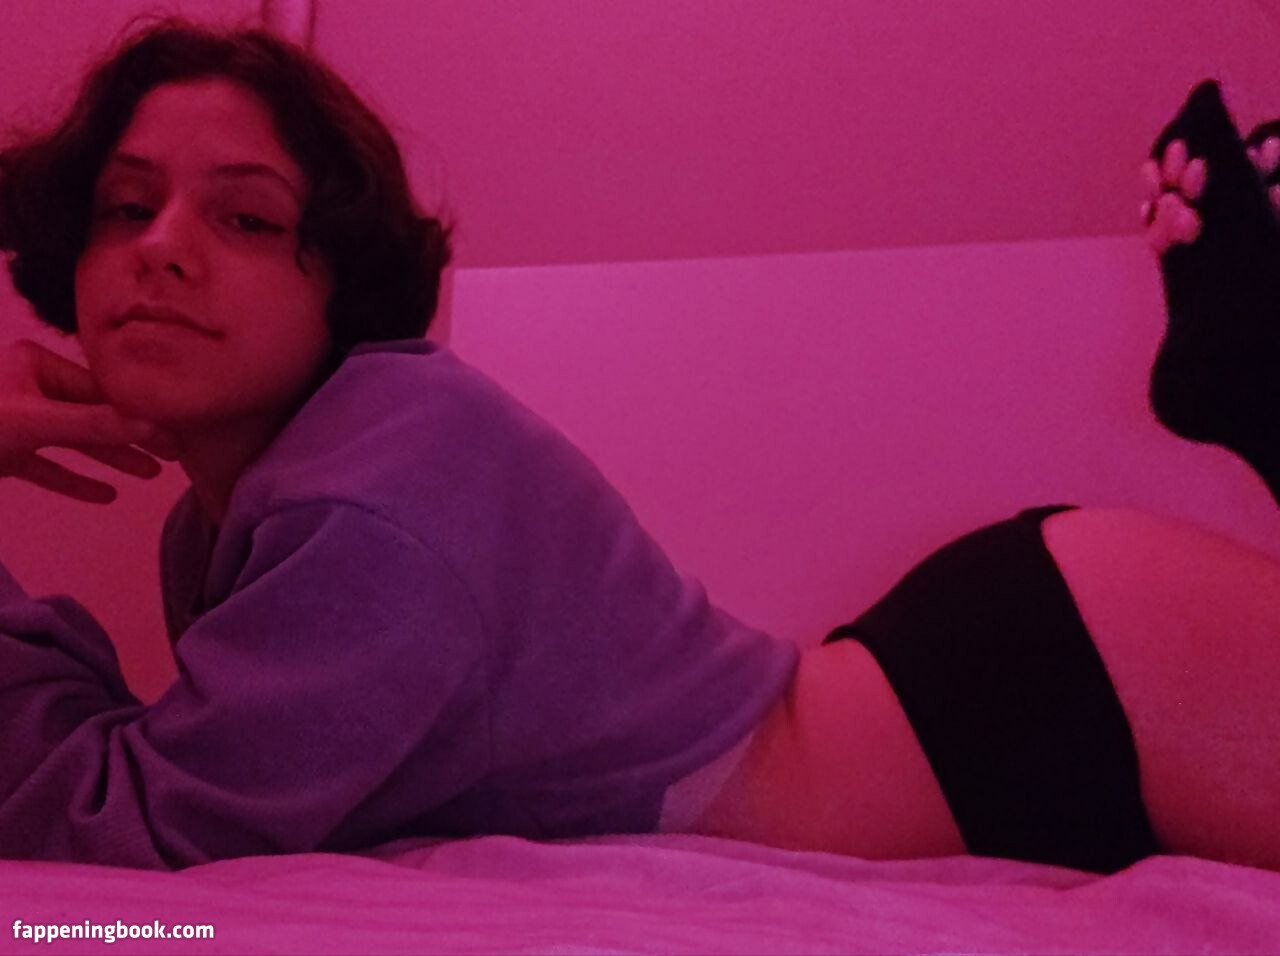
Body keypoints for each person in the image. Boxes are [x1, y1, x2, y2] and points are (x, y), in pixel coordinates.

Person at [0, 16, 1275, 876]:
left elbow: (134, 838)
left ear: (342, 277)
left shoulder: (370, 490)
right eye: (124, 206)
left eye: (245, 219)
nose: (163, 248)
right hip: (980, 694)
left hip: (1054, 682)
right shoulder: (229, 521)